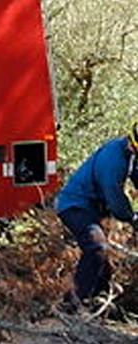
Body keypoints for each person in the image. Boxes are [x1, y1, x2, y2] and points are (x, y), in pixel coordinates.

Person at [54, 123, 138, 308]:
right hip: (74, 206)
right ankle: (71, 303)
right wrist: (132, 218)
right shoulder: (114, 159)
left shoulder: (130, 154)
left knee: (102, 256)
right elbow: (115, 197)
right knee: (96, 246)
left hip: (91, 207)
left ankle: (99, 300)